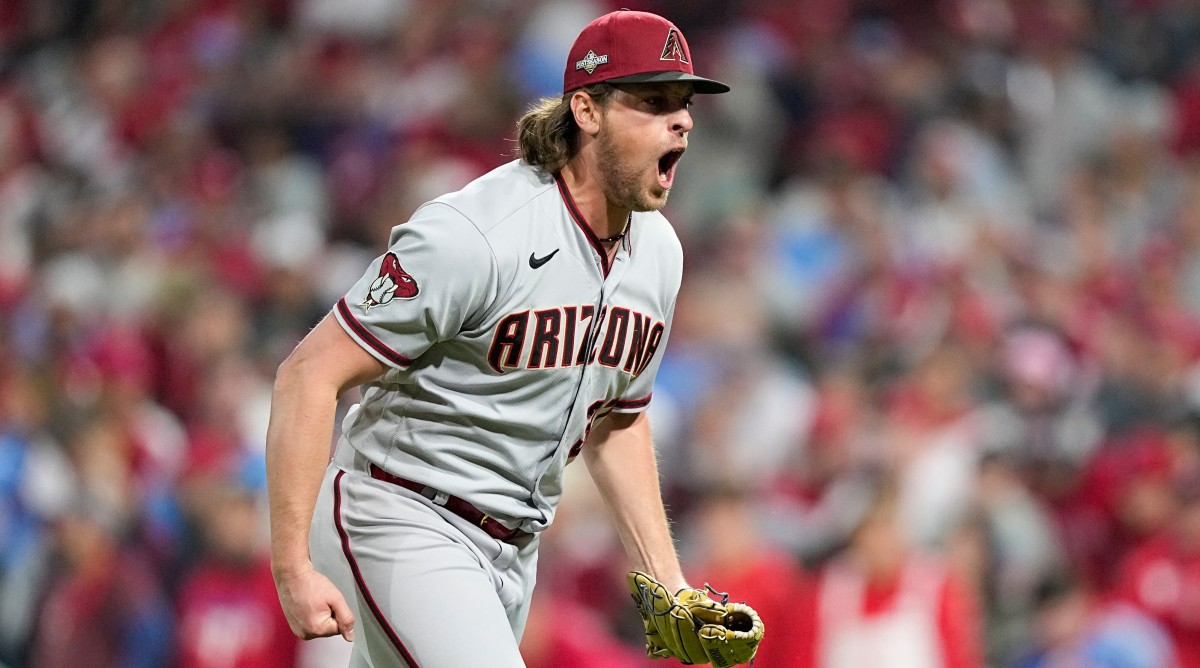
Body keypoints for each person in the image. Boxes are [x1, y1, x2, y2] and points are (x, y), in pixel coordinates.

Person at [265, 9, 730, 667]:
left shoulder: (659, 253)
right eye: (653, 102)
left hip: (513, 552)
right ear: (587, 111)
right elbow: (308, 374)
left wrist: (666, 578)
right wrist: (291, 564)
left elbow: (618, 422)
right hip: (403, 510)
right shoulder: (476, 236)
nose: (681, 120)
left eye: (683, 105)